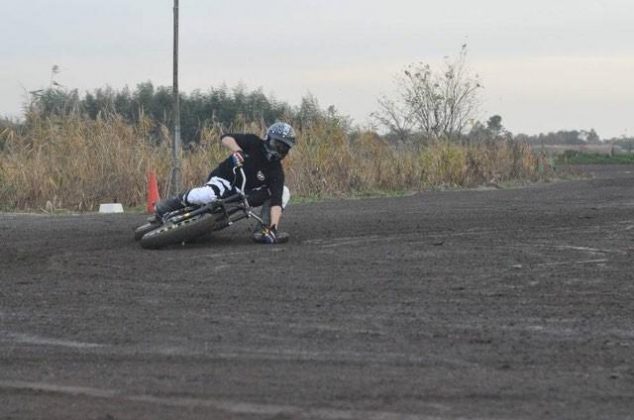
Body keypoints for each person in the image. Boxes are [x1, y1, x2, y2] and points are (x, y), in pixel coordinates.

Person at [154, 122, 296, 244]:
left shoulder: (276, 170)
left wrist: (274, 227)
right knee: (207, 195)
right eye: (276, 144)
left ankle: (264, 230)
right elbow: (226, 138)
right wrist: (237, 150)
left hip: (245, 194)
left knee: (284, 191)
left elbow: (276, 202)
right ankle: (170, 204)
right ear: (268, 138)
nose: (278, 150)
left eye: (283, 148)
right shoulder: (253, 142)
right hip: (224, 180)